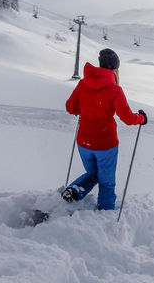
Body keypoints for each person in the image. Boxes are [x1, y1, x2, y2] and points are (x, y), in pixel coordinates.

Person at [62, 48, 147, 210]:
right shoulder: (115, 90)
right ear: (115, 69)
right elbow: (128, 118)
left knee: (92, 174)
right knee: (106, 181)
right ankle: (105, 213)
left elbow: (70, 106)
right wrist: (141, 118)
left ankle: (73, 191)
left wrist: (84, 109)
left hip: (84, 142)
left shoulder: (83, 83)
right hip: (105, 145)